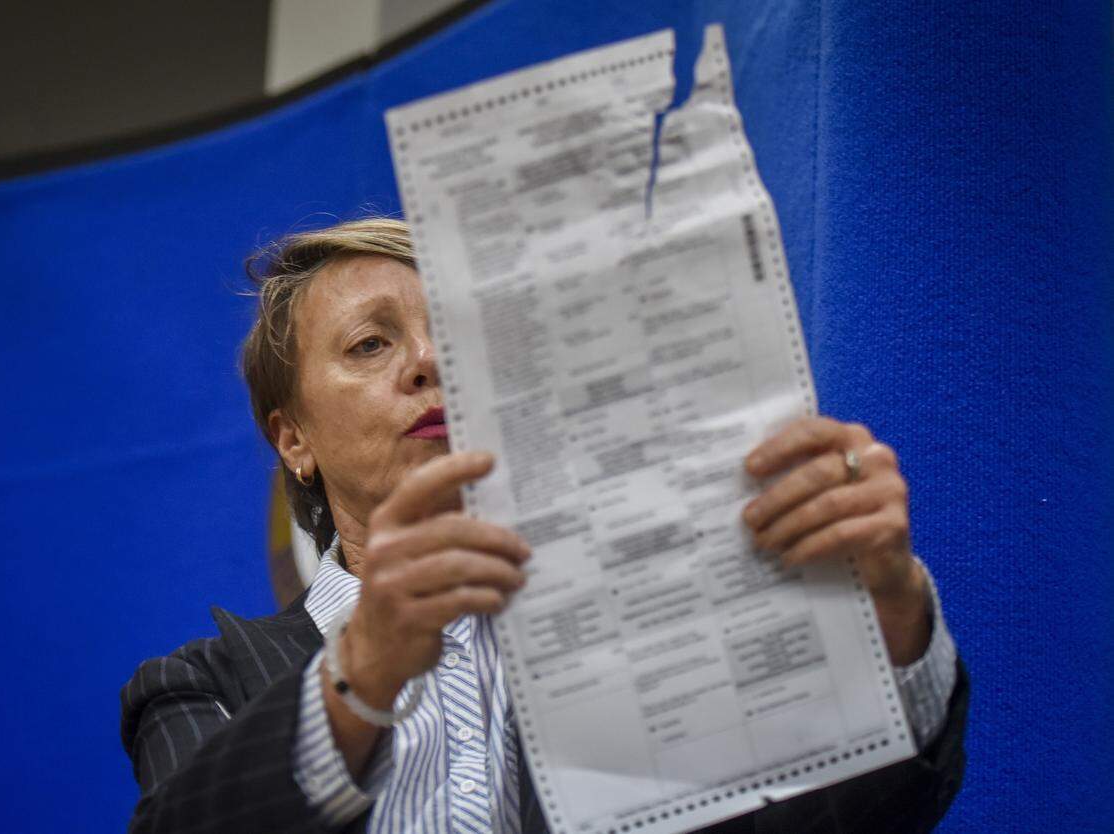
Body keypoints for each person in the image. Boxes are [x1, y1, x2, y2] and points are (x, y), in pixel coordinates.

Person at [121, 218, 967, 833]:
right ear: (292, 438)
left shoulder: (650, 636)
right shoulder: (203, 683)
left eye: (452, 338)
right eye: (371, 344)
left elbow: (853, 821)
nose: (428, 362)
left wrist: (887, 612)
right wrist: (362, 672)